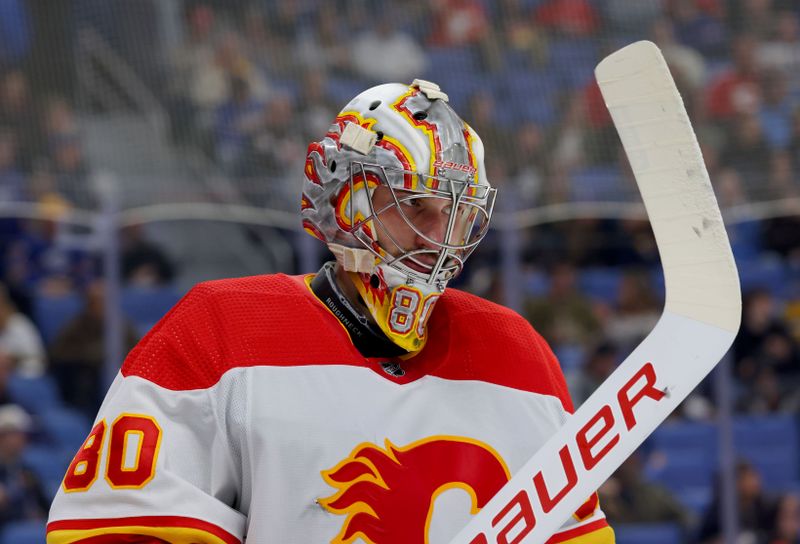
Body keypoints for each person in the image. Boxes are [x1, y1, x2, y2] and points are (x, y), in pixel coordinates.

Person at [47, 80, 615, 542]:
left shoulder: (517, 352)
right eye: (416, 206)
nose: (442, 238)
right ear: (349, 200)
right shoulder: (222, 329)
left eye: (457, 213)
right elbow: (117, 529)